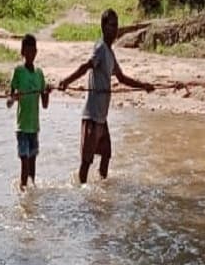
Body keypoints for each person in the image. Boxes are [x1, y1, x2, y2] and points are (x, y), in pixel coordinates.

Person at [57, 9, 154, 183]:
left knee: (106, 154)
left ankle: (101, 186)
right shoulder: (100, 48)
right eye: (112, 25)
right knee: (86, 162)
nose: (115, 29)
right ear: (103, 27)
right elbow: (86, 66)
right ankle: (82, 191)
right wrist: (66, 81)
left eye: (116, 25)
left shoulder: (110, 53)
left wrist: (144, 86)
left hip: (102, 117)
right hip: (92, 116)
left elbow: (122, 78)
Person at [7, 33, 50, 190]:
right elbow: (9, 101)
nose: (30, 54)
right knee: (24, 163)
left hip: (34, 127)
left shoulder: (39, 74)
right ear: (22, 52)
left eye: (33, 51)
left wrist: (46, 93)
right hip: (22, 127)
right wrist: (14, 97)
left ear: (36, 52)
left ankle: (30, 192)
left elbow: (44, 105)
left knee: (32, 165)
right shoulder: (18, 72)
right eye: (27, 51)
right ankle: (24, 192)